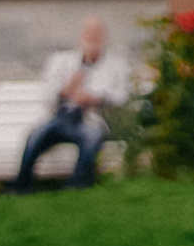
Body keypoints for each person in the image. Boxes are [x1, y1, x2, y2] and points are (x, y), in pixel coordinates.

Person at [13, 15, 130, 190]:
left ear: (104, 37)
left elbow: (121, 96)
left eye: (97, 33)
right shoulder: (60, 61)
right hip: (60, 117)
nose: (93, 38)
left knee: (92, 137)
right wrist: (66, 89)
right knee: (36, 135)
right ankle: (21, 186)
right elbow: (46, 93)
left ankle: (77, 185)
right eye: (89, 33)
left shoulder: (116, 65)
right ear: (81, 35)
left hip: (89, 118)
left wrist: (95, 98)